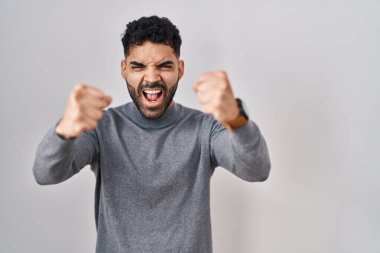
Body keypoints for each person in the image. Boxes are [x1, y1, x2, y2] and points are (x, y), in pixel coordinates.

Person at [33, 15, 271, 253]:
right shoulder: (101, 126)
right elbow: (45, 173)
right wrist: (64, 130)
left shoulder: (205, 127)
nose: (151, 77)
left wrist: (235, 119)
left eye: (164, 66)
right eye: (138, 66)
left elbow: (256, 169)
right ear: (124, 69)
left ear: (180, 69)